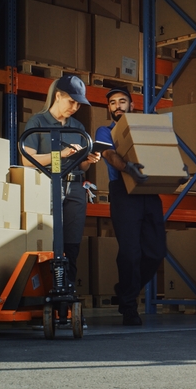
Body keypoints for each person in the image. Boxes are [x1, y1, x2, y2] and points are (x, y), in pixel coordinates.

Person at [21, 75, 101, 325]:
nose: (75, 107)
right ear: (58, 95)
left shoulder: (77, 127)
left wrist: (88, 160)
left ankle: (66, 306)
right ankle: (46, 302)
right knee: (48, 246)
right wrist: (61, 153)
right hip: (47, 186)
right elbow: (27, 159)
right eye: (71, 101)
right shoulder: (38, 122)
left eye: (78, 104)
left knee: (71, 247)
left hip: (74, 188)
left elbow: (81, 167)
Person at [96, 87, 166, 326]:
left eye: (122, 101)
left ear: (132, 105)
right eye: (113, 102)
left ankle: (124, 288)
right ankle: (128, 307)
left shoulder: (146, 127)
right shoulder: (104, 131)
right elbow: (108, 153)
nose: (117, 106)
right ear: (109, 108)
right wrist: (128, 168)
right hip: (123, 192)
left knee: (156, 251)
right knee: (130, 252)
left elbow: (162, 151)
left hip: (148, 190)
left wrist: (174, 171)